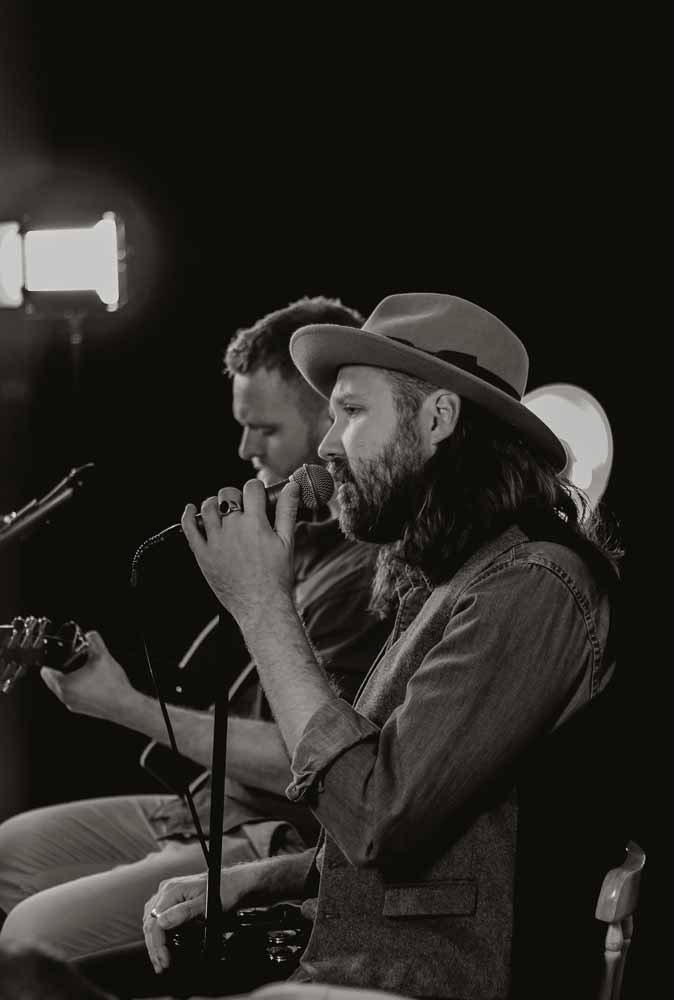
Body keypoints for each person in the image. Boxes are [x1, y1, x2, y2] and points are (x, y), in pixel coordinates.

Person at [140, 292, 622, 1000]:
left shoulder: (535, 586)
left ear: (438, 419)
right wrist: (249, 879)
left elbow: (378, 817)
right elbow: (423, 830)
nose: (328, 444)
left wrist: (263, 607)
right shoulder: (444, 581)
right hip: (361, 965)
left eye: (353, 412)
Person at [0, 297, 391, 962]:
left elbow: (307, 760)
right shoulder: (295, 544)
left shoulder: (365, 575)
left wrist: (124, 706)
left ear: (333, 424)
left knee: (29, 935)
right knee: (5, 852)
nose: (244, 449)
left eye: (264, 429)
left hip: (271, 833)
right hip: (201, 807)